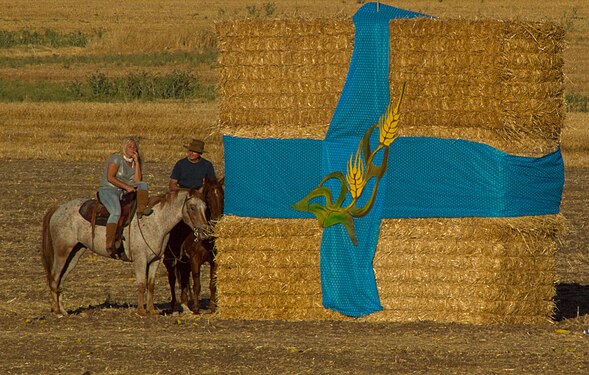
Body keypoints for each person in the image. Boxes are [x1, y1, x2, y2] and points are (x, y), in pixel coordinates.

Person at [98, 136, 153, 260]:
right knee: (116, 211)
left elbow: (138, 180)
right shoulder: (116, 158)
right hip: (109, 189)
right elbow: (110, 177)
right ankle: (110, 242)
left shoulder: (135, 161)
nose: (132, 149)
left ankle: (141, 209)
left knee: (143, 185)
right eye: (130, 146)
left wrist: (137, 162)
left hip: (123, 190)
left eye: (134, 147)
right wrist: (127, 187)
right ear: (124, 147)